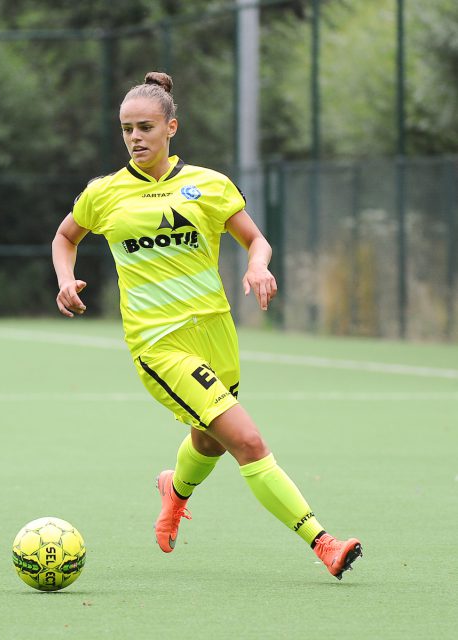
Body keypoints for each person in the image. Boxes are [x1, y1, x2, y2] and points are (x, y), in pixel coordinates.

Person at [52, 71, 362, 580]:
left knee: (210, 438)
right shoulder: (103, 194)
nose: (135, 137)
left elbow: (256, 240)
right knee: (247, 441)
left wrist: (258, 264)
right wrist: (66, 279)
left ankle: (173, 491)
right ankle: (323, 542)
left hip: (216, 334)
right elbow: (65, 237)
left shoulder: (209, 184)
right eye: (127, 128)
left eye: (146, 127)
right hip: (159, 344)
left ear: (171, 127)